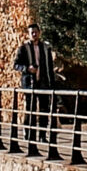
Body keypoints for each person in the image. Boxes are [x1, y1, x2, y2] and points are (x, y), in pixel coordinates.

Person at [12, 22, 59, 152]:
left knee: (44, 110)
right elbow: (16, 65)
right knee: (30, 109)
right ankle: (28, 132)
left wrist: (51, 83)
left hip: (43, 83)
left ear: (39, 32)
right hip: (30, 84)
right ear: (28, 34)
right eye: (32, 32)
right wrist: (27, 69)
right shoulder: (23, 48)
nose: (34, 34)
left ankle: (42, 136)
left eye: (36, 32)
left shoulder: (45, 48)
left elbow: (49, 66)